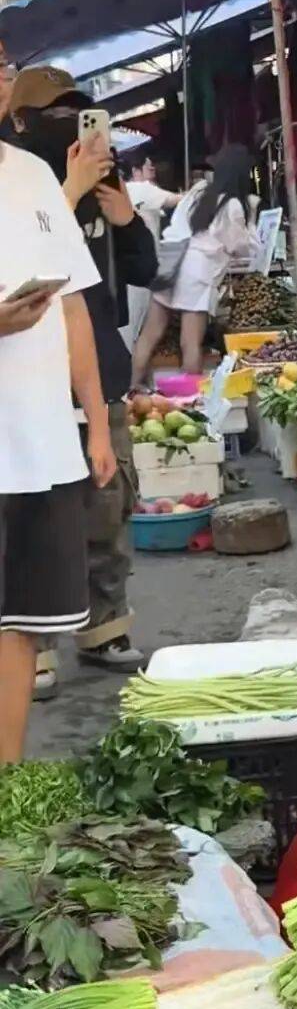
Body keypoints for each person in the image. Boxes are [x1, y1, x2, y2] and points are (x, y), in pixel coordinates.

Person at [8, 67, 158, 686]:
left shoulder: (100, 183)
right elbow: (26, 260)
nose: (70, 123)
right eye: (54, 114)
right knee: (32, 522)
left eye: (80, 111)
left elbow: (145, 268)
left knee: (105, 508)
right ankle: (31, 651)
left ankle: (104, 627)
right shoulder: (20, 182)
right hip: (25, 379)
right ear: (21, 122)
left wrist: (124, 219)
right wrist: (64, 193)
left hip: (96, 360)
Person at [0, 135, 115, 760]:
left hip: (39, 443)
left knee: (19, 625)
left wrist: (95, 420)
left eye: (3, 64)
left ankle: (7, 777)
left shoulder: (37, 174)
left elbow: (73, 308)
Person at [131, 146, 257, 383]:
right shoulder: (233, 206)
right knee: (190, 342)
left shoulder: (198, 191)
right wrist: (253, 218)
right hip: (197, 273)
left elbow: (177, 223)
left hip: (170, 261)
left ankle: (128, 392)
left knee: (149, 335)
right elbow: (241, 246)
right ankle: (191, 403)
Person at [120, 151, 181, 346]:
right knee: (137, 324)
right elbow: (176, 199)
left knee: (132, 326)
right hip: (141, 271)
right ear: (135, 170)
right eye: (149, 169)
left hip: (129, 268)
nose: (153, 174)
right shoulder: (142, 189)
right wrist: (204, 192)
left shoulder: (126, 192)